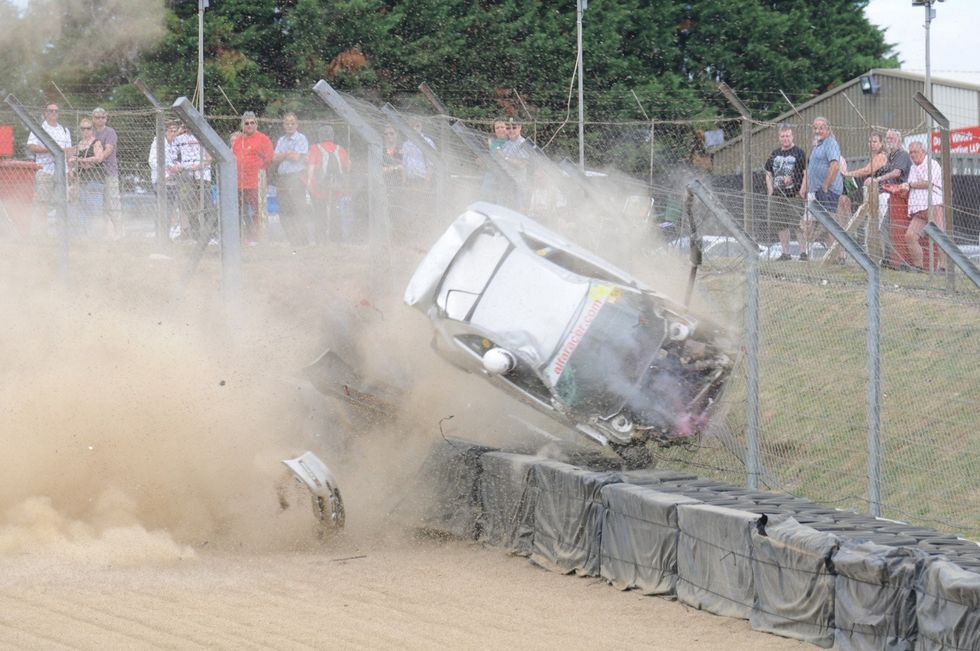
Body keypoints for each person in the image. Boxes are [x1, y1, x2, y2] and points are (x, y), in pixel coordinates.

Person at [26, 102, 72, 237]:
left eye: (56, 111)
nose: (53, 113)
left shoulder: (64, 130)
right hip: (45, 171)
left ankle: (59, 235)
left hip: (61, 172)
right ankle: (38, 234)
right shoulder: (40, 128)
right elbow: (32, 147)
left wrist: (70, 170)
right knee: (41, 203)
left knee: (61, 203)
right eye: (50, 111)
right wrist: (52, 150)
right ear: (45, 113)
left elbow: (68, 152)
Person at [763, 125, 807, 261]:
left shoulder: (799, 152)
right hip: (777, 195)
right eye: (783, 136)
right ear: (779, 137)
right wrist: (770, 190)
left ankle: (803, 253)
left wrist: (802, 191)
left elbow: (806, 173)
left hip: (794, 194)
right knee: (780, 225)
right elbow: (768, 172)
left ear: (792, 136)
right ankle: (786, 253)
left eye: (788, 135)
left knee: (798, 224)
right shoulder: (774, 154)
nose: (785, 138)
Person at [801, 117, 843, 260]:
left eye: (821, 128)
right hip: (814, 192)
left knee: (829, 226)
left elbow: (835, 165)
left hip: (827, 192)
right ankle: (807, 255)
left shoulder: (830, 143)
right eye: (815, 127)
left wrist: (825, 185)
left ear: (828, 130)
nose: (817, 130)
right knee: (807, 223)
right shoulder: (817, 146)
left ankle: (836, 258)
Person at [231, 111, 274, 245]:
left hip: (255, 183)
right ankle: (242, 237)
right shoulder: (238, 141)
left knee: (257, 212)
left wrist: (256, 167)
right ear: (242, 125)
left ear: (256, 124)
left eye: (252, 123)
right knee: (240, 213)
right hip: (239, 183)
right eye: (246, 123)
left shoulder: (263, 139)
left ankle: (259, 238)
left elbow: (269, 158)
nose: (249, 125)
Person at [871, 129, 912, 267]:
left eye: (892, 138)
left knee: (896, 229)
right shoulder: (890, 156)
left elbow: (896, 172)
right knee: (884, 229)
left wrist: (879, 179)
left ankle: (899, 260)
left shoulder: (902, 155)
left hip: (900, 197)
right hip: (890, 196)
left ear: (899, 140)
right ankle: (887, 258)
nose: (889, 140)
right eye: (887, 138)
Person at [902, 141, 945, 271]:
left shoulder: (932, 164)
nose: (913, 155)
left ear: (923, 152)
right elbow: (911, 184)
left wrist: (909, 185)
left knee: (939, 236)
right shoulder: (913, 167)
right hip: (918, 209)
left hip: (933, 205)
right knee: (910, 236)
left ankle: (944, 267)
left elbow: (928, 183)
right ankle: (918, 267)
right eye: (911, 153)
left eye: (915, 152)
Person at [306, 125, 351, 244]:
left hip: (319, 190)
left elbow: (310, 167)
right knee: (335, 214)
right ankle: (337, 241)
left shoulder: (315, 148)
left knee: (320, 215)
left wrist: (309, 184)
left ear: (320, 136)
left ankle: (321, 241)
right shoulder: (340, 149)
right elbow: (348, 167)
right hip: (336, 189)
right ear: (332, 135)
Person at [272, 112, 310, 246]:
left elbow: (296, 158)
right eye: (287, 123)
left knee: (298, 209)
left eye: (292, 123)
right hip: (283, 179)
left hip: (296, 178)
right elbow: (274, 158)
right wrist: (289, 153)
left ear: (297, 124)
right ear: (283, 125)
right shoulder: (281, 140)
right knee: (283, 210)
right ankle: (292, 239)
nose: (290, 125)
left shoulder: (301, 138)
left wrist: (284, 154)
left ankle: (302, 240)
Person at [174, 124, 213, 243]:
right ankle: (196, 233)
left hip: (203, 175)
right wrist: (179, 131)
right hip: (187, 176)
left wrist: (200, 165)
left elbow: (210, 157)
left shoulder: (203, 137)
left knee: (206, 205)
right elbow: (170, 150)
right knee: (190, 206)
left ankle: (210, 233)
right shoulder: (179, 139)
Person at [91, 107, 124, 240]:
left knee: (113, 203)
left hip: (109, 172)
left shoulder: (110, 132)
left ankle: (119, 232)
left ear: (106, 118)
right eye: (97, 117)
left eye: (103, 117)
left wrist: (99, 158)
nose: (100, 119)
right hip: (94, 174)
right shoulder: (91, 132)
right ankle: (104, 233)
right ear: (93, 118)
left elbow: (108, 149)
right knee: (99, 205)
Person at [68, 118, 104, 236]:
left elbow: (99, 158)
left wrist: (80, 160)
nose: (85, 131)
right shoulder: (79, 144)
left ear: (92, 130)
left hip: (94, 180)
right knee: (82, 209)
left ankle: (96, 235)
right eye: (83, 129)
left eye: (88, 128)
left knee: (94, 210)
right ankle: (84, 235)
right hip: (82, 181)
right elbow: (72, 161)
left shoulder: (96, 143)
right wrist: (72, 170)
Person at [148, 121, 181, 239]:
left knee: (169, 210)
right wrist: (165, 172)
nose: (173, 134)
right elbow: (152, 161)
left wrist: (177, 165)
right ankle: (159, 236)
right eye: (171, 131)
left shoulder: (176, 144)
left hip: (172, 182)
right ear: (166, 132)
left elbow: (177, 159)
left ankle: (165, 236)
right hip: (160, 181)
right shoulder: (158, 142)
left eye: (175, 131)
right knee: (161, 209)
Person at [500, 119, 531, 210]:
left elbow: (522, 164)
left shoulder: (523, 143)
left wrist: (505, 158)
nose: (511, 130)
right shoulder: (506, 143)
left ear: (520, 128)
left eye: (514, 127)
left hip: (518, 183)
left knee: (518, 209)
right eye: (508, 128)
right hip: (506, 183)